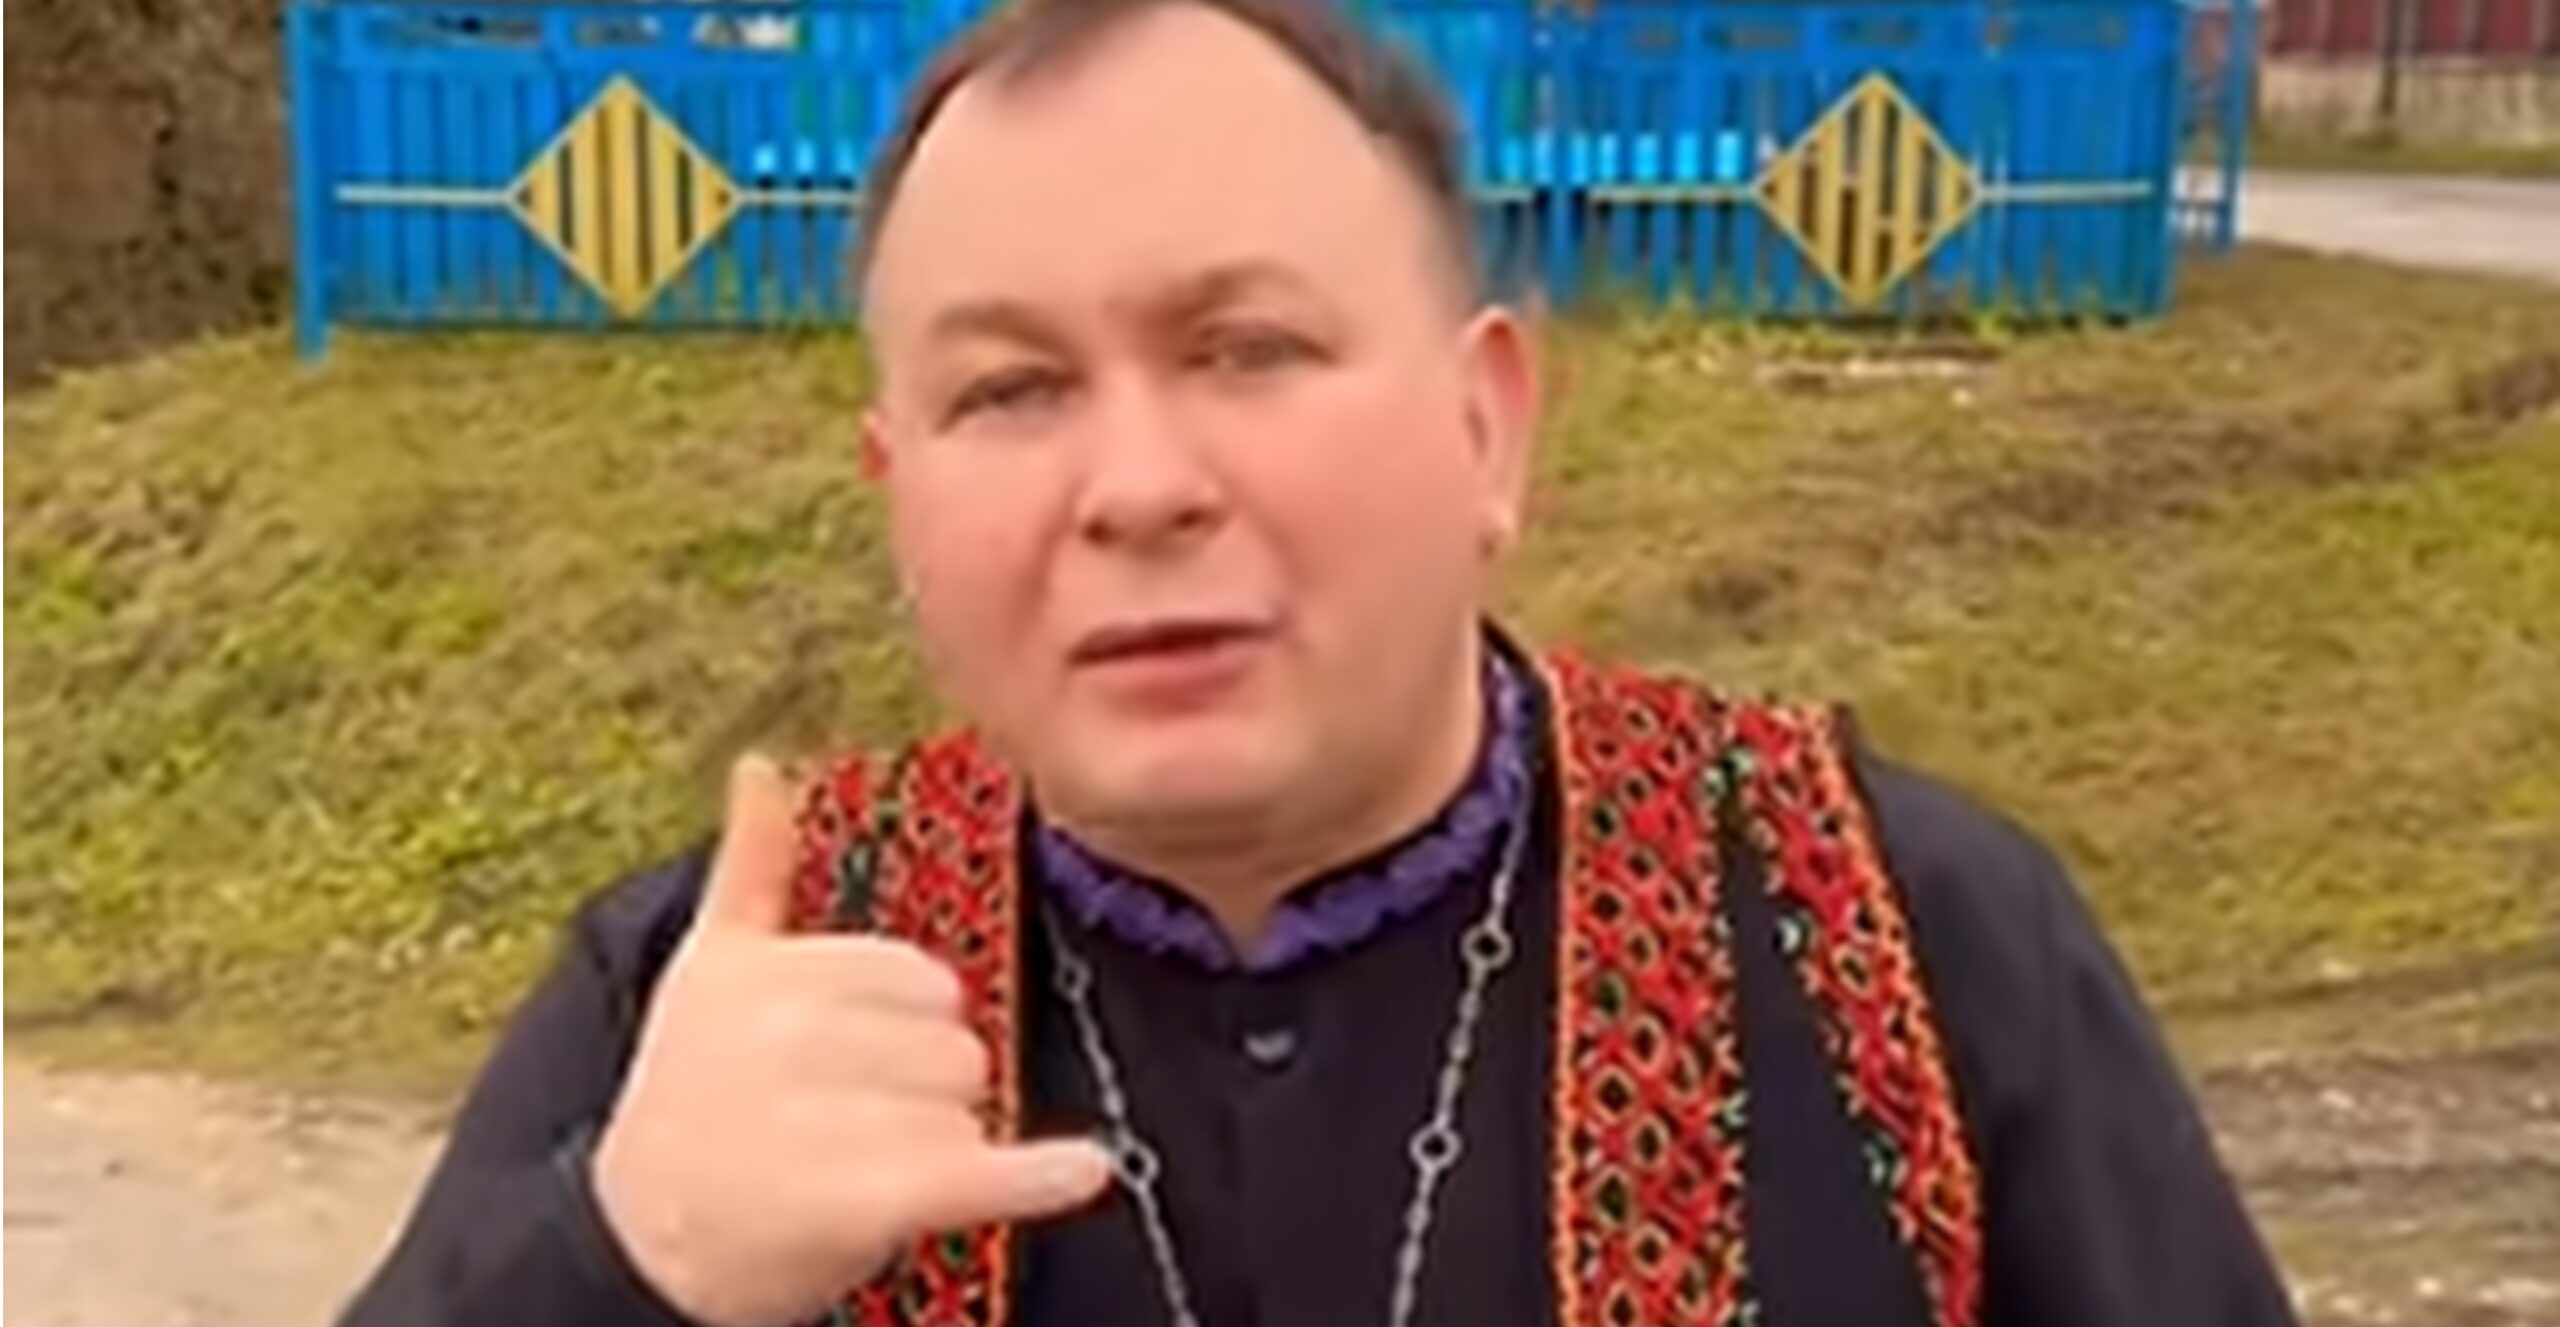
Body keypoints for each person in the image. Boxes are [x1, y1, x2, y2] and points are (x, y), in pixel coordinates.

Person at [339, 1, 2300, 1324]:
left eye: (1248, 350)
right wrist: (618, 1261)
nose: (1137, 487)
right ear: (897, 493)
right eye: (1008, 389)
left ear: (1485, 428)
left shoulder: (1888, 942)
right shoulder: (717, 1000)